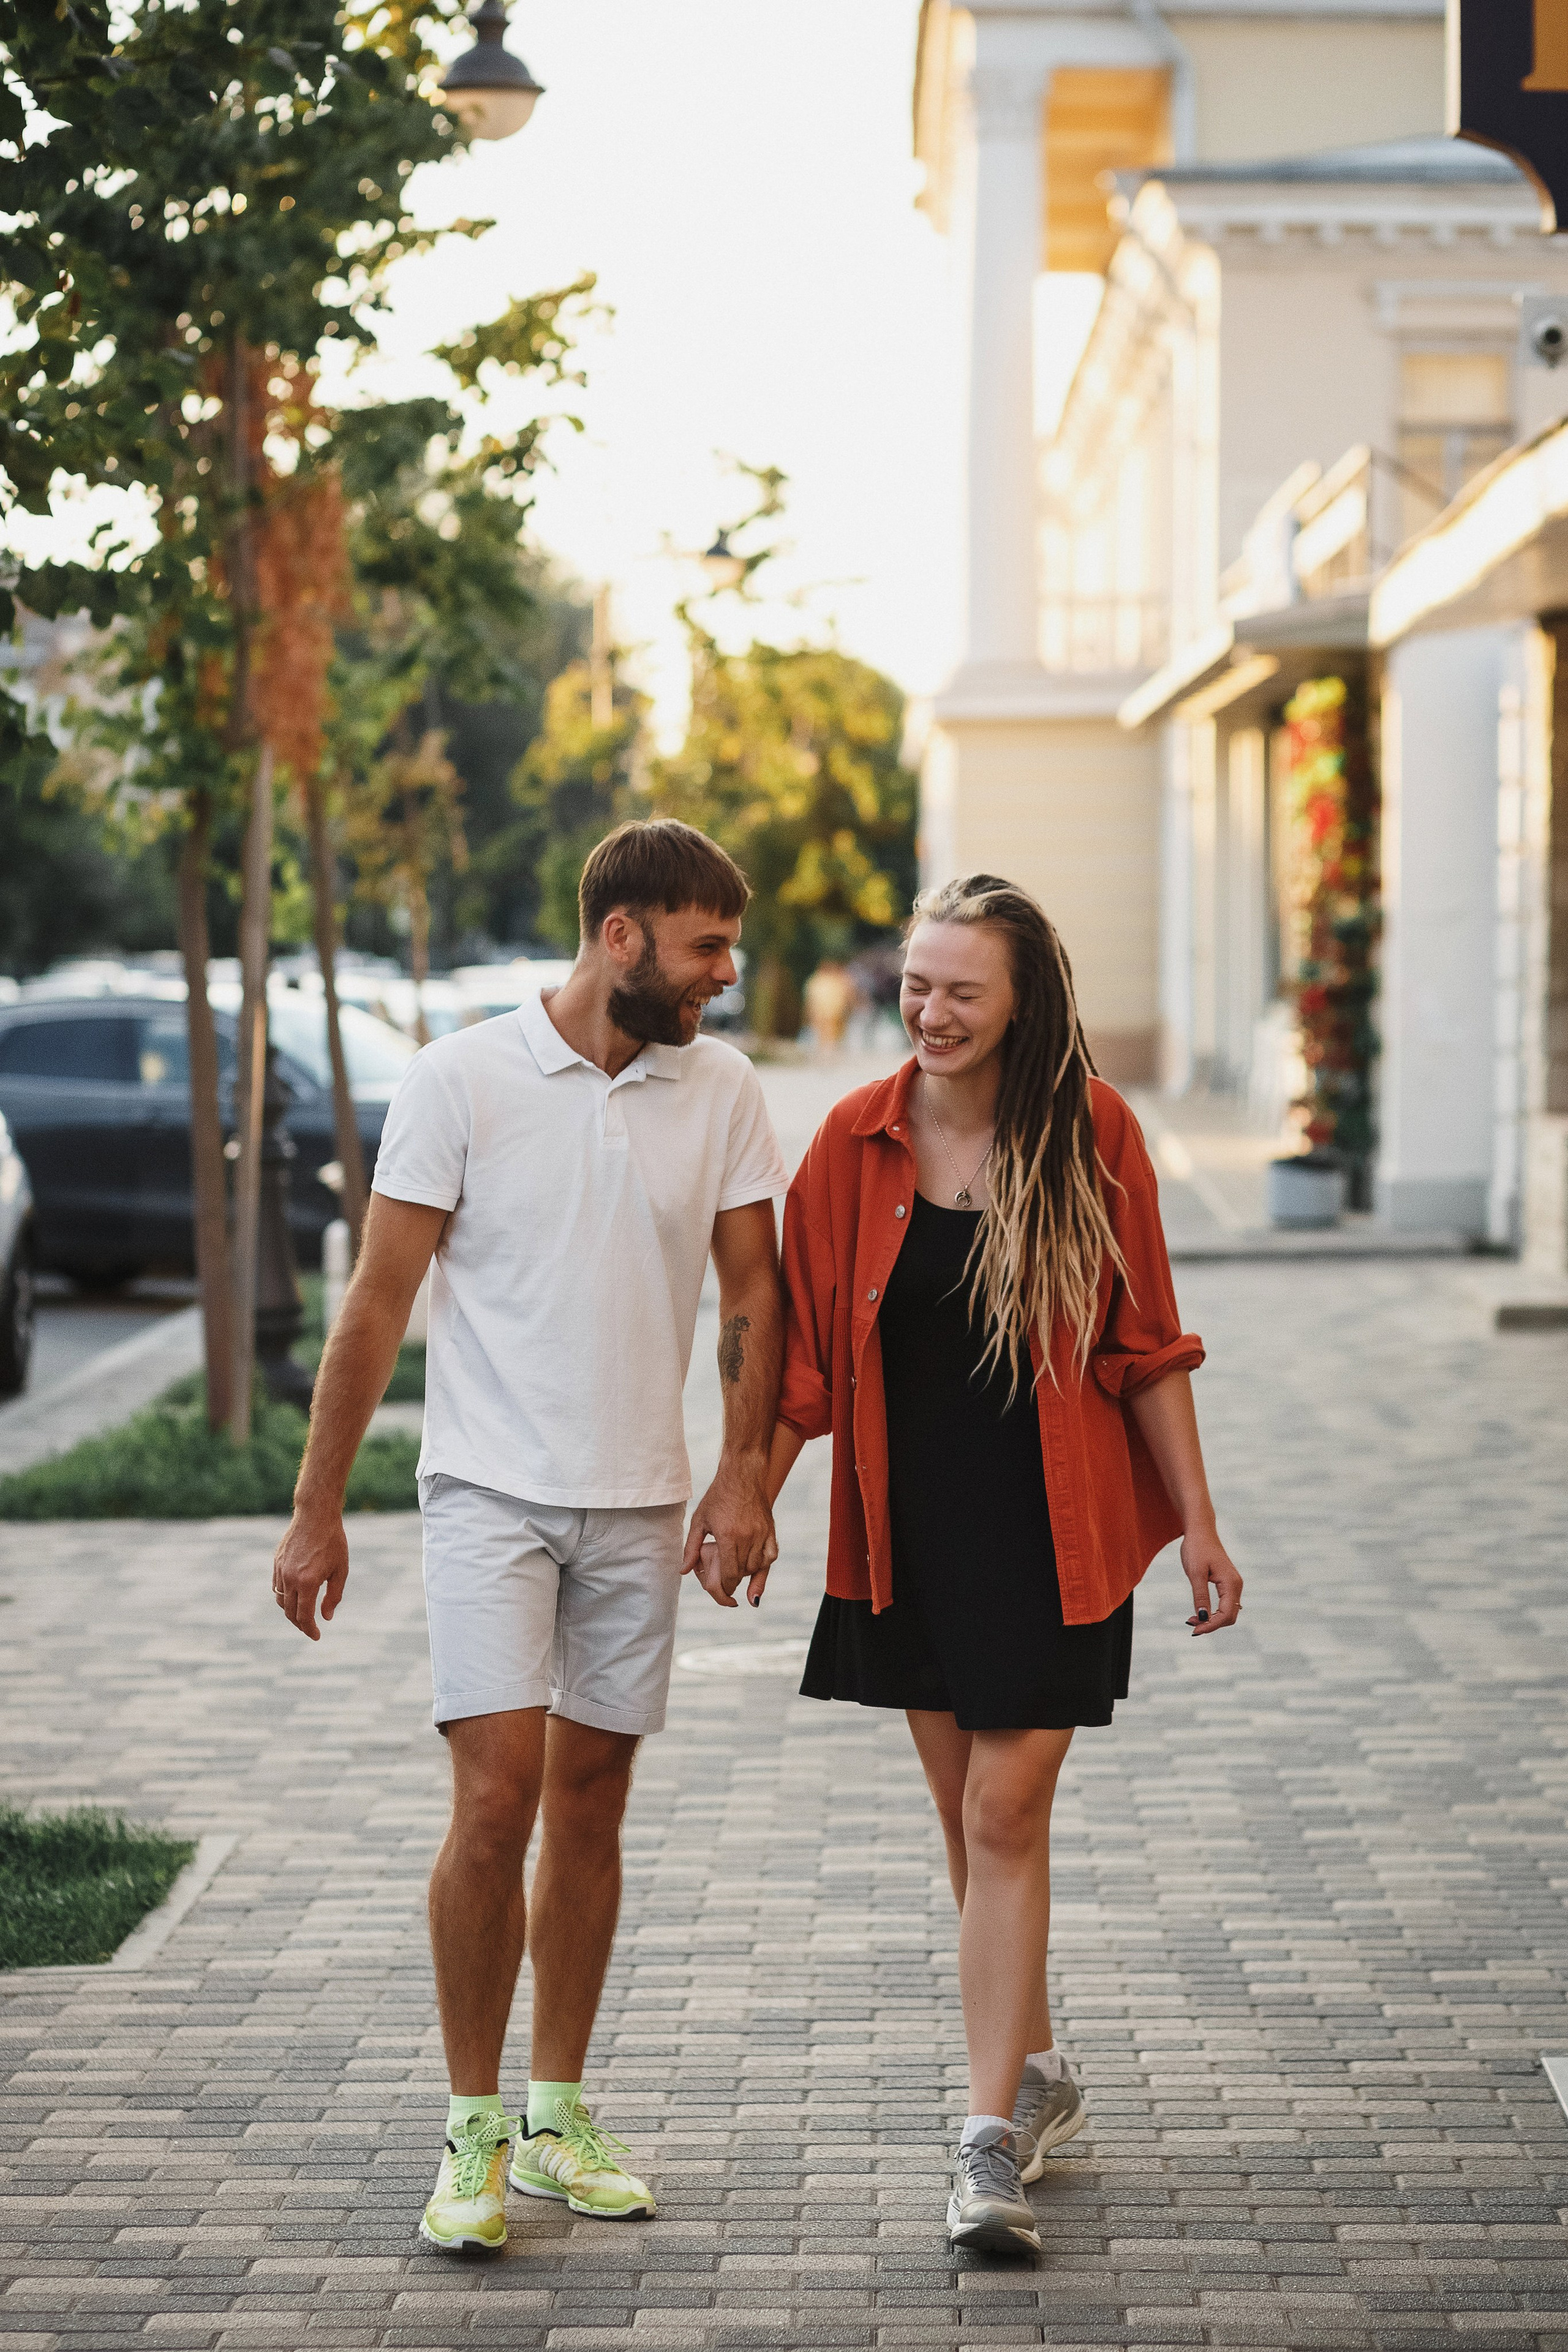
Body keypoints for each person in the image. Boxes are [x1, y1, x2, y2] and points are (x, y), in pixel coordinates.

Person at [270, 820, 788, 2255]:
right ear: (619, 937)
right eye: (702, 948)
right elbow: (376, 1303)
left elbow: (752, 1293)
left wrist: (744, 1477)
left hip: (637, 1493)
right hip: (488, 1489)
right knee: (497, 1798)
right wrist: (318, 1509)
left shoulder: (722, 1090)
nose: (722, 976)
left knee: (595, 1799)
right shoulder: (460, 1080)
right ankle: (472, 2129)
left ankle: (557, 2112)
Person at [761, 873, 1242, 2258]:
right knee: (969, 1826)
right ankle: (1033, 2075)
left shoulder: (1090, 1134)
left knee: (999, 1817)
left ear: (1022, 1001)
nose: (929, 1012)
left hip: (1056, 1533)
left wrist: (1197, 1523)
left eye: (961, 991)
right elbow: (800, 1367)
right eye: (917, 983)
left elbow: (1143, 1344)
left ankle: (983, 2149)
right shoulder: (850, 1144)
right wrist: (745, 1496)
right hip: (907, 1539)